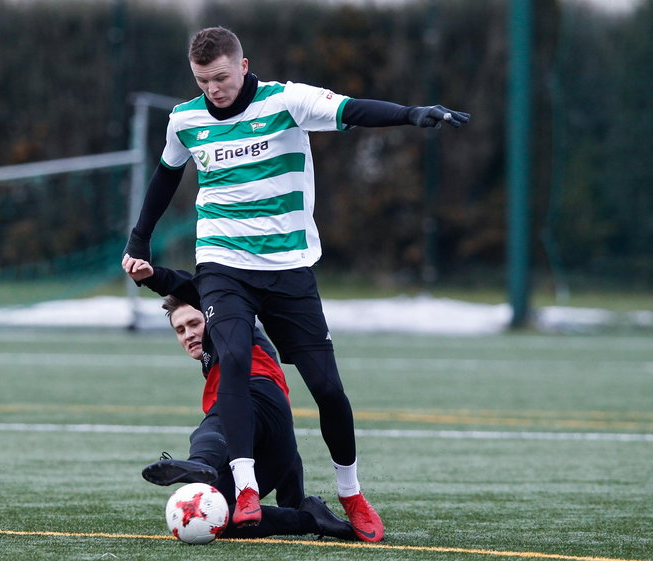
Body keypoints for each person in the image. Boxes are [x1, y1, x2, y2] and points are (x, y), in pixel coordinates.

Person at [122, 25, 470, 542]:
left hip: (288, 267)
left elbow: (353, 109)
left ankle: (351, 492)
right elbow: (165, 177)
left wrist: (413, 114)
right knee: (234, 358)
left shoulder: (287, 101)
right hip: (223, 262)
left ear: (242, 65)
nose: (213, 89)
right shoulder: (185, 119)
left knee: (328, 388)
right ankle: (242, 488)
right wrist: (138, 242)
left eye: (220, 77)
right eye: (202, 80)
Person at [126, 258, 355, 541]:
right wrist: (294, 497)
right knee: (217, 516)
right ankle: (309, 519)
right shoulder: (212, 362)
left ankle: (199, 464)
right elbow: (287, 452)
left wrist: (153, 276)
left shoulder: (232, 326)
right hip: (274, 444)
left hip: (256, 394)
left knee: (217, 422)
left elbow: (189, 286)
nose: (189, 334)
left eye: (194, 323)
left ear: (212, 314)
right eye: (180, 330)